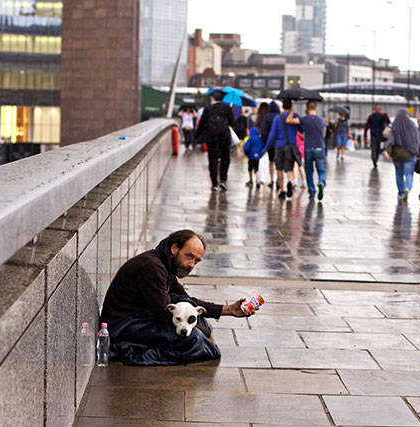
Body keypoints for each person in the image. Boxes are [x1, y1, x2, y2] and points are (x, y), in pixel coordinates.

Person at [100, 230, 251, 365]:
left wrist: (228, 309)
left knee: (194, 316)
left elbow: (187, 300)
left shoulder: (166, 265)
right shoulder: (152, 267)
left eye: (196, 261)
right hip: (122, 328)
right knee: (194, 340)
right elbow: (163, 315)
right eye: (189, 256)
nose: (191, 264)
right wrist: (205, 333)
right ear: (174, 249)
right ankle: (137, 354)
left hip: (141, 317)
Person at [195, 90, 235, 191]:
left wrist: (196, 136)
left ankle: (214, 183)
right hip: (224, 137)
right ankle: (223, 180)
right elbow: (233, 124)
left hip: (212, 137)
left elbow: (202, 124)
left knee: (212, 159)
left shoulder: (208, 109)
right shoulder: (227, 108)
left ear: (213, 98)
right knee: (225, 158)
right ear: (223, 98)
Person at [262, 99, 302, 200]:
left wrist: (266, 147)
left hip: (279, 146)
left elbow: (272, 134)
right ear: (291, 106)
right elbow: (301, 130)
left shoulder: (277, 118)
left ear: (282, 107)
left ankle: (282, 190)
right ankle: (290, 181)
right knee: (289, 168)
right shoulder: (295, 117)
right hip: (291, 146)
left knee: (279, 169)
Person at [287, 100, 326, 200]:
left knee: (309, 171)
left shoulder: (304, 119)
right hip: (320, 147)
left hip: (308, 148)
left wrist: (292, 112)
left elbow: (289, 120)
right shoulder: (322, 120)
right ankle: (321, 182)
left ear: (307, 108)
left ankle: (312, 192)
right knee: (321, 171)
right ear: (316, 108)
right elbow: (324, 135)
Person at [384, 109, 420, 202]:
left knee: (398, 173)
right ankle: (407, 188)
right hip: (410, 153)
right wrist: (417, 151)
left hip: (397, 154)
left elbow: (390, 140)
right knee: (409, 173)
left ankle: (400, 193)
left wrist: (388, 151)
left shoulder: (395, 125)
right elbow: (417, 139)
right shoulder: (412, 125)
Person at [260, 102, 279, 190]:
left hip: (270, 143)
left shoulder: (267, 117)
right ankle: (279, 180)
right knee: (279, 163)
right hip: (280, 143)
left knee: (271, 161)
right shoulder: (280, 116)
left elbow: (264, 130)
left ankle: (272, 180)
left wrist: (264, 142)